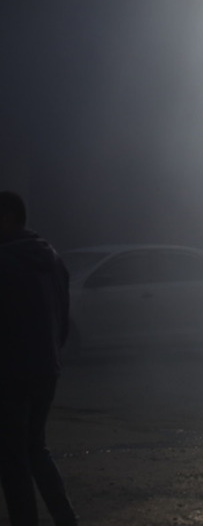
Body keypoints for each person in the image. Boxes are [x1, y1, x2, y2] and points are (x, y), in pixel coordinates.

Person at [0, 191, 77, 525]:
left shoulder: (5, 261)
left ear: (6, 219)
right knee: (35, 448)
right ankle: (66, 519)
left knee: (12, 458)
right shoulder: (52, 258)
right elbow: (63, 316)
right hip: (46, 369)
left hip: (10, 372)